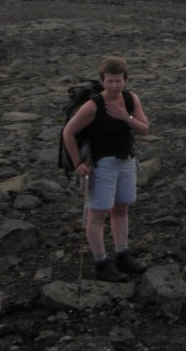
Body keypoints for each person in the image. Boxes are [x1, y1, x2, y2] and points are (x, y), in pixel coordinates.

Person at [62, 56, 150, 283]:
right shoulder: (93, 106)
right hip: (102, 165)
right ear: (102, 81)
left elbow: (144, 129)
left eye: (118, 80)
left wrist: (125, 117)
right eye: (109, 81)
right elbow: (68, 132)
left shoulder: (130, 99)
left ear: (125, 80)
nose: (114, 85)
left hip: (126, 160)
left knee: (121, 209)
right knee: (97, 214)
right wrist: (78, 163)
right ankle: (101, 264)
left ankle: (122, 254)